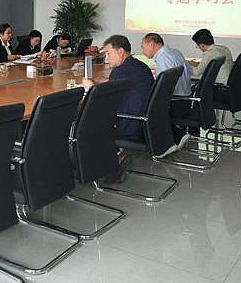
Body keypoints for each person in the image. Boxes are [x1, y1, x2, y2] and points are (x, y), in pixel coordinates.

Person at [83, 35, 156, 181]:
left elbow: (106, 101)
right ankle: (117, 155)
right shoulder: (139, 66)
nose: (107, 58)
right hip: (146, 121)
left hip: (129, 124)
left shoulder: (120, 71)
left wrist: (91, 87)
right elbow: (124, 85)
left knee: (86, 121)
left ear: (121, 51)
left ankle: (109, 162)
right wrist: (104, 83)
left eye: (108, 53)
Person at [141, 32, 193, 149]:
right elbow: (190, 71)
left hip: (176, 104)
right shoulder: (175, 52)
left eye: (143, 47)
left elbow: (165, 89)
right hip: (186, 100)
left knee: (144, 107)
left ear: (151, 44)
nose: (143, 51)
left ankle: (177, 136)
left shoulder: (163, 58)